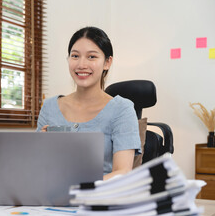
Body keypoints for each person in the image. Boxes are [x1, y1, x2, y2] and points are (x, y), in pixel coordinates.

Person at [36, 26, 141, 180]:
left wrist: (78, 188)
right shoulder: (49, 107)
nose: (81, 64)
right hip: (52, 196)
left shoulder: (122, 109)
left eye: (92, 57)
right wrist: (40, 147)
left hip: (99, 196)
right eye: (75, 56)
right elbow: (38, 167)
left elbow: (123, 173)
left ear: (107, 62)